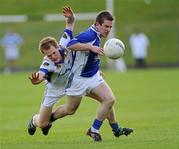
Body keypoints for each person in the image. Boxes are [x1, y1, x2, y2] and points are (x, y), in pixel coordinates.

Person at [61, 10, 133, 141]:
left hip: (92, 76)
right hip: (78, 80)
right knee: (70, 110)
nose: (108, 30)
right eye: (106, 26)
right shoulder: (89, 35)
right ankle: (46, 119)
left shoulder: (97, 35)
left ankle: (100, 130)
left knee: (109, 100)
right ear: (97, 24)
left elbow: (88, 58)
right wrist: (90, 47)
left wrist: (96, 69)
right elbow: (70, 45)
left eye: (110, 27)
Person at [27, 6, 76, 136]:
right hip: (54, 88)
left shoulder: (64, 44)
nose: (53, 56)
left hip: (71, 83)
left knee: (71, 110)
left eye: (54, 53)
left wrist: (70, 16)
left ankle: (51, 119)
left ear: (58, 46)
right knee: (42, 123)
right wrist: (35, 80)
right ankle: (34, 120)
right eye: (49, 55)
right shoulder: (47, 63)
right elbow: (40, 75)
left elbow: (70, 24)